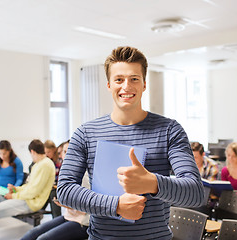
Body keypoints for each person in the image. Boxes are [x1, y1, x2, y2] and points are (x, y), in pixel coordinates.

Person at [57, 46, 204, 239]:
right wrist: (115, 206)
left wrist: (152, 183)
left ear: (144, 84)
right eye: (119, 79)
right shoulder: (86, 133)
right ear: (109, 84)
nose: (126, 86)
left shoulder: (170, 130)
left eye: (134, 79)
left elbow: (195, 192)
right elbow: (65, 190)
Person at [0, 139, 55, 240]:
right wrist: (15, 189)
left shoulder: (45, 164)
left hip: (29, 202)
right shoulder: (38, 164)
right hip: (13, 193)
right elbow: (29, 186)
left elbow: (33, 191)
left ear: (32, 152)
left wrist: (14, 195)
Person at [21, 141, 89, 240]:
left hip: (82, 222)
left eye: (68, 152)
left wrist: (66, 204)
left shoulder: (85, 175)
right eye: (64, 152)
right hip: (69, 216)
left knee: (42, 238)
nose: (64, 155)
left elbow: (87, 206)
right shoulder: (67, 172)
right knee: (32, 233)